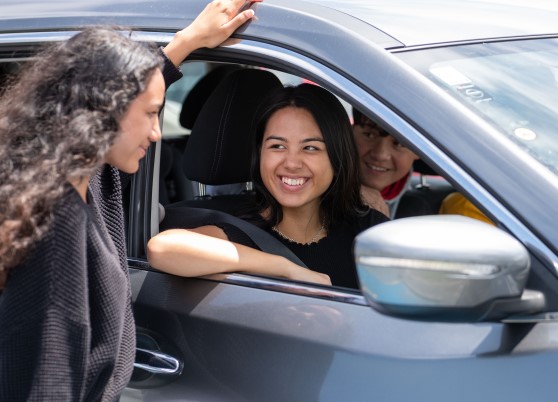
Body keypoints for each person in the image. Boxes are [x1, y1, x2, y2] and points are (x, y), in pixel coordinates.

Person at [0, 1, 257, 402]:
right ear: (99, 118)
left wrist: (186, 42)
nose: (158, 131)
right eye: (150, 114)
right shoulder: (51, 230)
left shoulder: (79, 181)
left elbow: (136, 91)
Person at [147, 83, 389, 289]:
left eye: (311, 148)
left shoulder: (368, 231)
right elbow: (163, 249)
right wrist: (284, 268)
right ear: (259, 154)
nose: (292, 163)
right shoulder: (244, 231)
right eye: (277, 146)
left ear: (337, 157)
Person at [352, 108, 420, 218]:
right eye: (369, 135)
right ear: (350, 132)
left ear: (419, 152)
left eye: (399, 143)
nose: (380, 155)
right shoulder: (317, 196)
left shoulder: (417, 216)